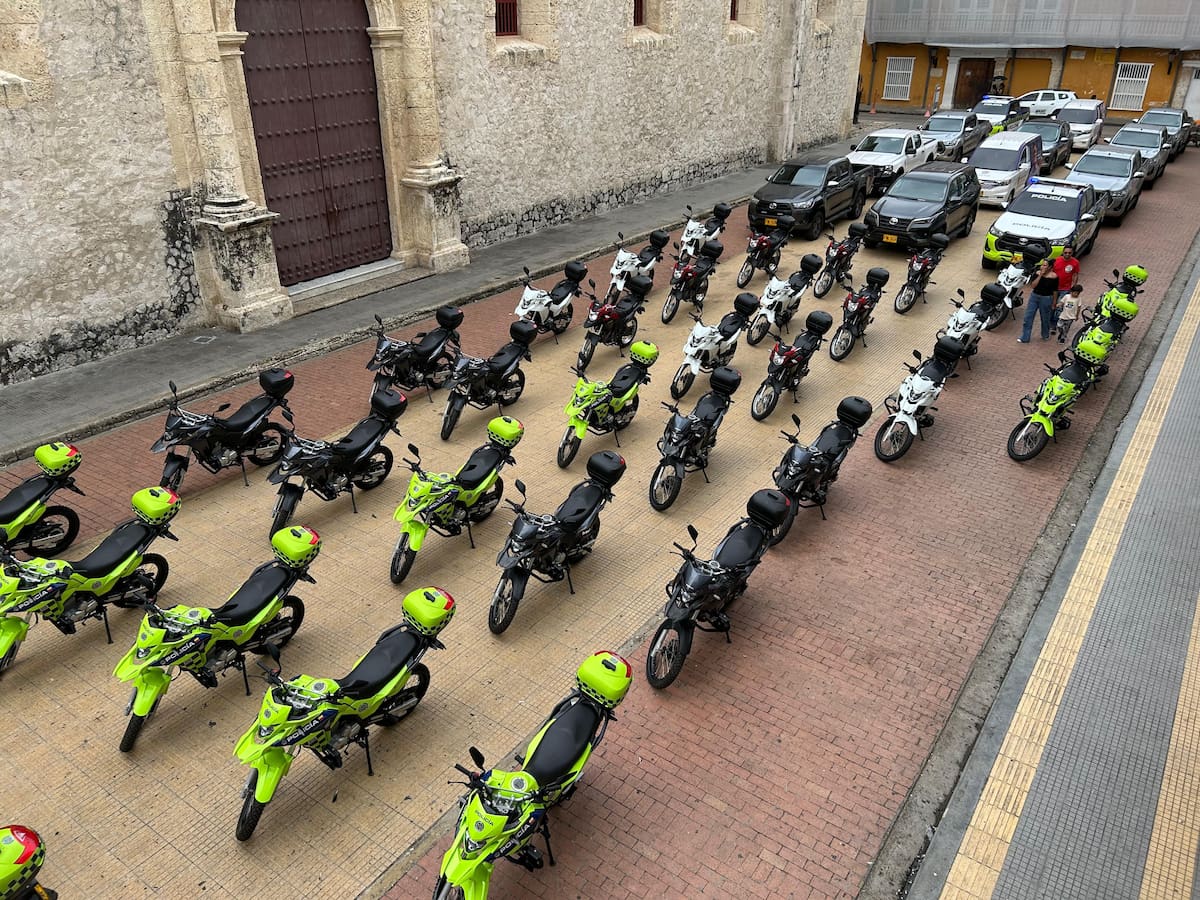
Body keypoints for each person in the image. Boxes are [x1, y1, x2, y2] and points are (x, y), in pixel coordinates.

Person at [1019, 257, 1059, 342]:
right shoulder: (1037, 273)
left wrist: (1054, 302)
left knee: (1045, 318)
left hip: (1046, 298)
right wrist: (1040, 275)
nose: (1042, 267)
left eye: (1045, 265)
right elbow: (1033, 286)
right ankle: (1025, 337)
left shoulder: (1054, 277)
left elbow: (1055, 290)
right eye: (1042, 265)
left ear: (1049, 267)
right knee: (1028, 317)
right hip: (1035, 296)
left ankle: (1045, 334)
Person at [1052, 245, 1081, 328]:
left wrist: (1074, 287)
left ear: (1072, 253)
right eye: (1065, 252)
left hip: (1065, 289)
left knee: (1059, 307)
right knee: (1052, 306)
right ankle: (1050, 321)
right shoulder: (1056, 260)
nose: (1067, 254)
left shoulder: (1075, 262)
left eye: (1069, 253)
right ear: (1062, 253)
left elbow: (1075, 274)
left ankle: (1054, 325)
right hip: (1054, 288)